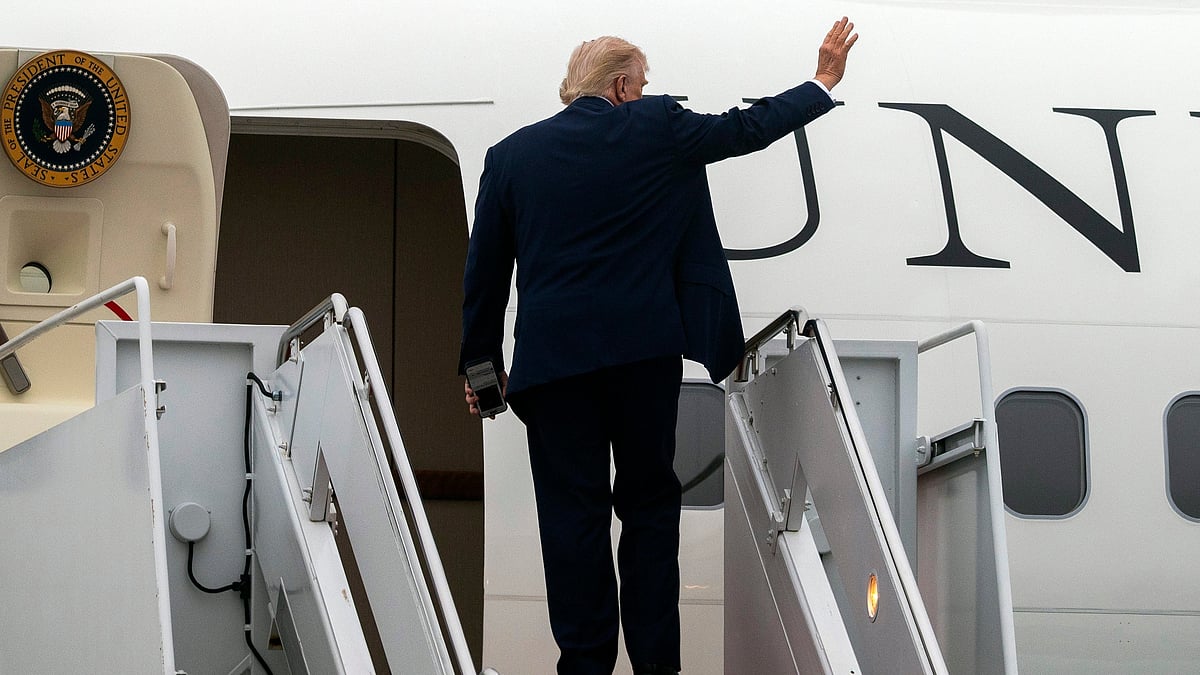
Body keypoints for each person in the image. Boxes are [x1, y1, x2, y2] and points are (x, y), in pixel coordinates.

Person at [460, 18, 857, 675]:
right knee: (647, 511)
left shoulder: (511, 157)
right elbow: (743, 129)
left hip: (553, 372)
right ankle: (654, 665)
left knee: (572, 519)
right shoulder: (657, 127)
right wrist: (821, 82)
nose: (645, 95)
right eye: (642, 85)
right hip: (640, 359)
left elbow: (485, 277)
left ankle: (584, 663)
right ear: (621, 86)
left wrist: (481, 374)